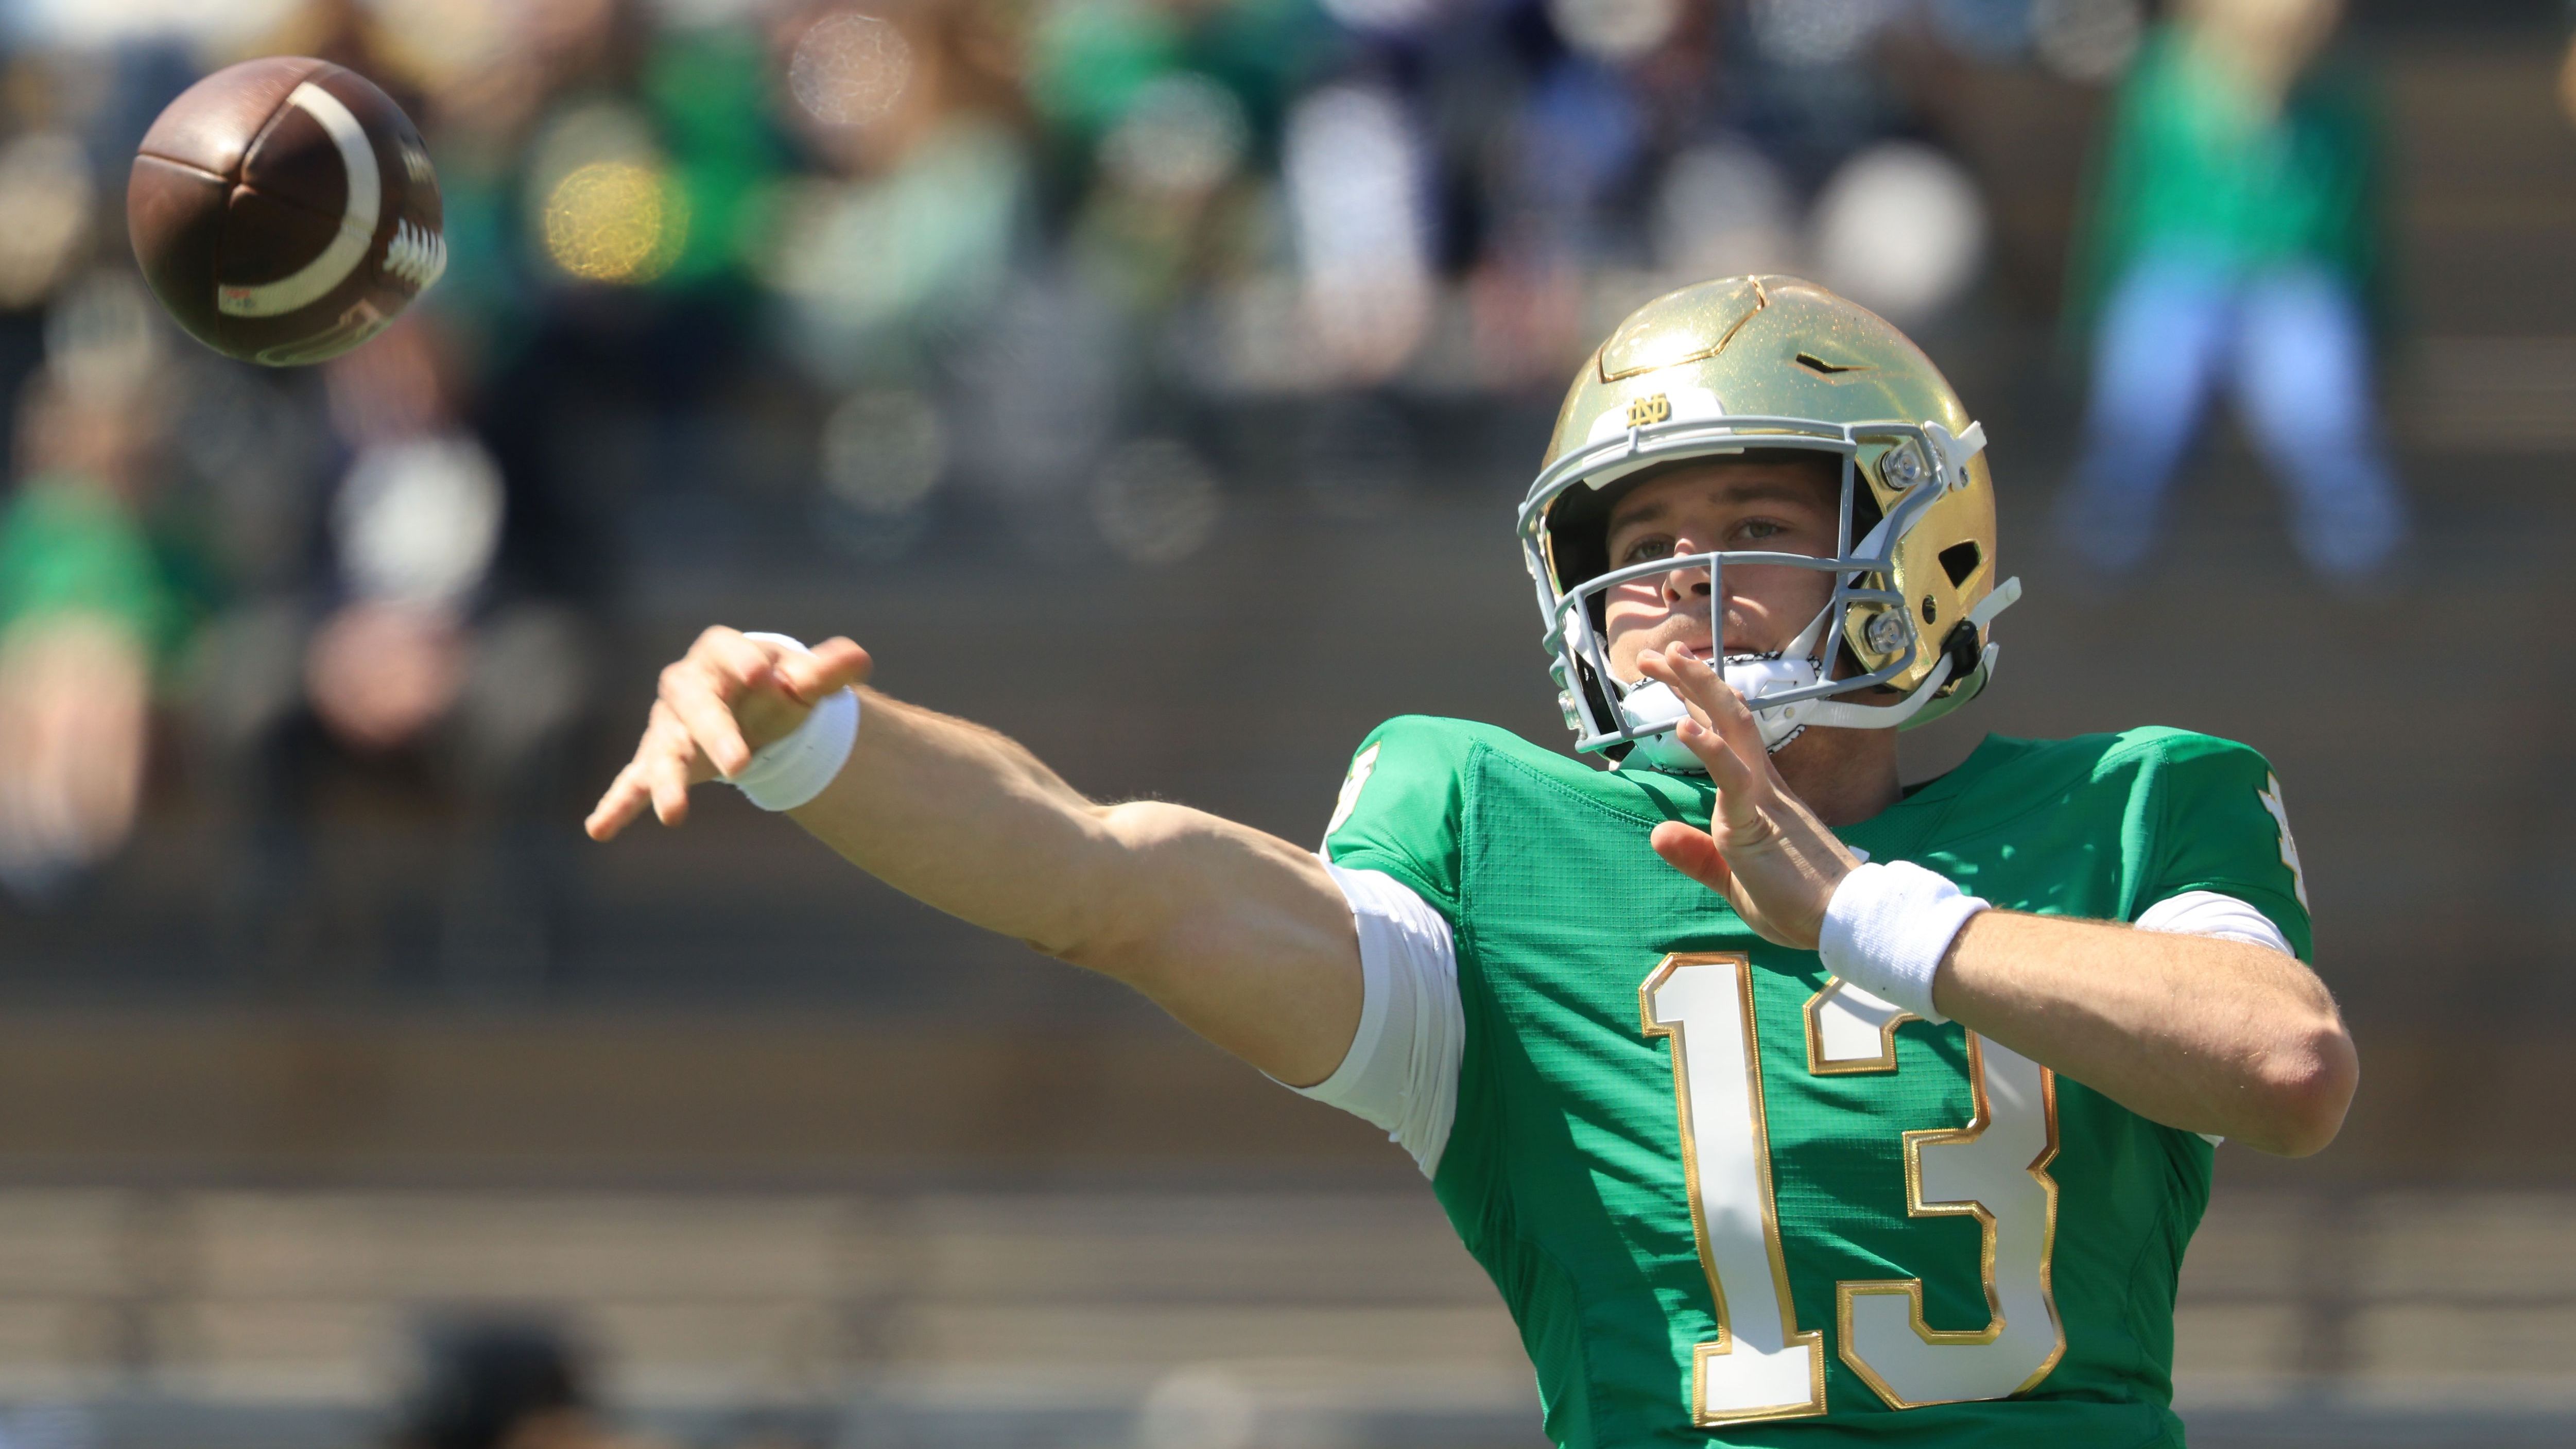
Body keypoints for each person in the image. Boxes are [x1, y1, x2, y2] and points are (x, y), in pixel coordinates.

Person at [587, 275, 2356, 1446]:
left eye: (1750, 526)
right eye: (1641, 541)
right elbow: (1107, 877)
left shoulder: (2133, 803)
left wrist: (1863, 913)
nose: (1675, 584)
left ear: (1912, 547)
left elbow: (2284, 1064)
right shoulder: (1500, 837)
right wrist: (814, 742)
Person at [2054, 0, 2405, 584]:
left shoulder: (2338, 93)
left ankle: (2358, 539)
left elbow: (2355, 235)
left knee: (2315, 390)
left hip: (2288, 283)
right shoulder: (2161, 80)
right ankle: (2107, 525)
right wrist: (2087, 323)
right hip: (2178, 282)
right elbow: (2120, 216)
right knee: (2148, 382)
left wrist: (2386, 336)